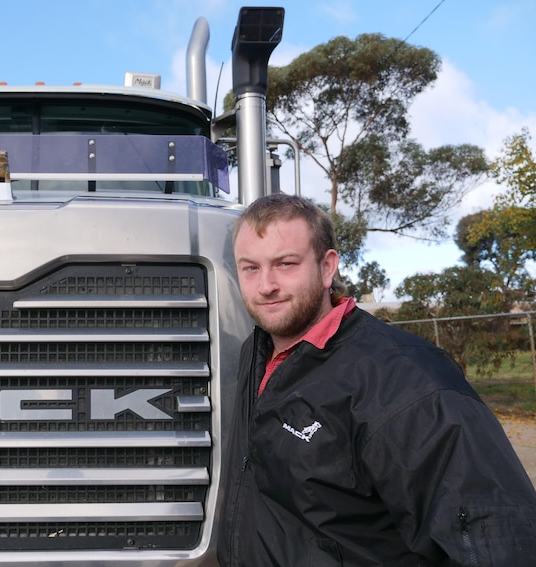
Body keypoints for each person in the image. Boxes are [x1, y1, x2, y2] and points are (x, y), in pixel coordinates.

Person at [217, 193, 536, 566]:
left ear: (326, 267)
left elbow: (499, 538)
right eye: (250, 268)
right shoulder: (256, 353)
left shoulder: (407, 381)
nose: (265, 285)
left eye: (285, 264)